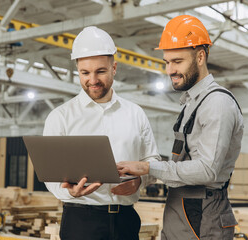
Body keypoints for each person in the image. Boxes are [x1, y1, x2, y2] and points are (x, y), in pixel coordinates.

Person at [117, 15, 244, 240]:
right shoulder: (191, 102)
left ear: (200, 57)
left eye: (177, 61)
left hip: (203, 213)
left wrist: (148, 168)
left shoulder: (217, 103)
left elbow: (207, 170)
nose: (169, 70)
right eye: (167, 62)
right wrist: (141, 176)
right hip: (181, 206)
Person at [43, 26, 161, 240]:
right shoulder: (60, 117)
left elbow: (153, 160)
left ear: (114, 68)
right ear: (77, 70)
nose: (92, 80)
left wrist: (139, 182)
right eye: (85, 73)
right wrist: (69, 192)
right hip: (80, 223)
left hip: (126, 222)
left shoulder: (135, 113)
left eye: (101, 71)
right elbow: (50, 176)